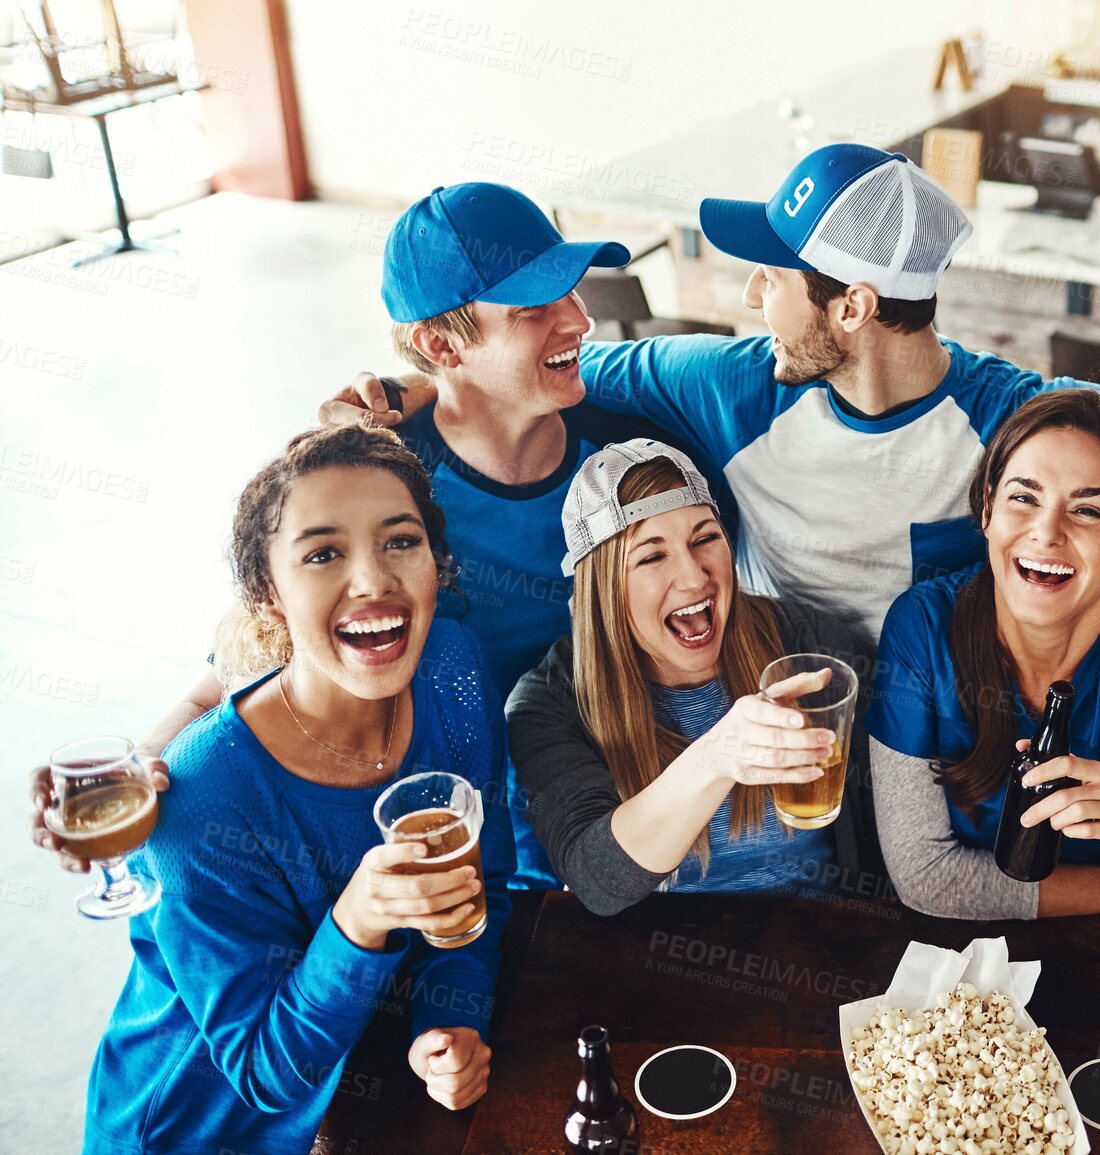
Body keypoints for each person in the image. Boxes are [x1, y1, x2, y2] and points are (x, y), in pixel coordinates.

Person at [321, 146, 1100, 650]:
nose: (751, 299)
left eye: (776, 278)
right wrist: (382, 402)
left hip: (940, 736)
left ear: (851, 306)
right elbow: (538, 383)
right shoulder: (721, 384)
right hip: (766, 706)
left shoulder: (1020, 421)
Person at [29, 182, 668, 889]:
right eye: (535, 309)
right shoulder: (375, 482)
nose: (579, 320)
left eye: (573, 292)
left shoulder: (628, 453)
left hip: (618, 817)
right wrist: (144, 757)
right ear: (437, 343)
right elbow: (259, 650)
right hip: (454, 841)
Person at [80, 425, 512, 1155]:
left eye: (400, 540)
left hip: (365, 1095)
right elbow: (264, 1074)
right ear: (267, 595)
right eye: (322, 553)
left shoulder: (454, 670)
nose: (374, 579)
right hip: (201, 1127)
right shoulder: (202, 800)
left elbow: (485, 887)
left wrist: (444, 1025)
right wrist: (360, 916)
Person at [868, 390, 1100, 951]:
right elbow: (924, 878)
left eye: (1087, 509)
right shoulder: (921, 628)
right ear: (988, 512)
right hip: (955, 957)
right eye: (1024, 499)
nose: (1047, 532)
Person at [505, 440, 879, 913]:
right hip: (655, 957)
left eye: (704, 539)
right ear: (603, 589)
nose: (694, 577)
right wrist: (718, 756)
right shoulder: (547, 702)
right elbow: (595, 880)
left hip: (816, 940)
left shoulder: (807, 643)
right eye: (651, 557)